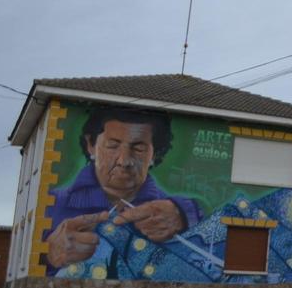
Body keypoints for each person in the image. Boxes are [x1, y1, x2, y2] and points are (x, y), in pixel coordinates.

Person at [45, 107, 201, 273]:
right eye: (112, 146)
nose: (124, 161)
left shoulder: (173, 214)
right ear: (91, 145)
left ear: (155, 154)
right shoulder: (51, 205)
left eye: (139, 148)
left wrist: (187, 214)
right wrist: (48, 256)